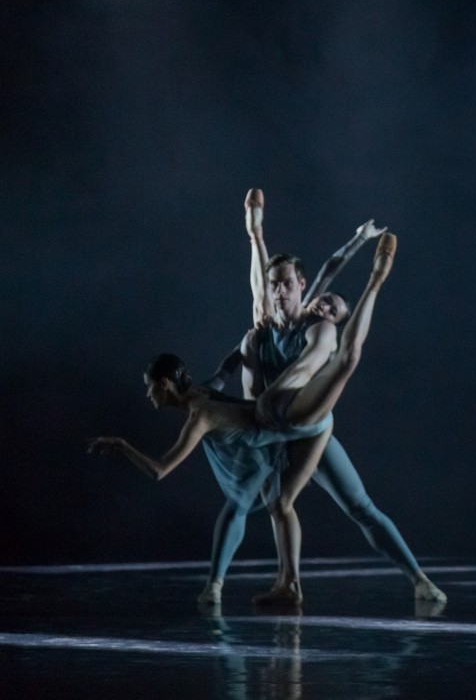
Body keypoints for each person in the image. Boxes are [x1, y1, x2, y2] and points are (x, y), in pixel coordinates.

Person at [88, 234, 396, 589]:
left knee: (345, 364)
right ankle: (282, 585)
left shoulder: (313, 331)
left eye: (334, 311)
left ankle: (219, 586)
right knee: (274, 505)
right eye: (326, 303)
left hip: (292, 422)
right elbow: (228, 366)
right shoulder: (229, 368)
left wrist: (256, 233)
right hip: (273, 427)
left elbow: (161, 470)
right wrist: (245, 346)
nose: (325, 309)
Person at [200, 190, 446, 607]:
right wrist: (218, 387)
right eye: (275, 285)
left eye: (288, 285)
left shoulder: (315, 324)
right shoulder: (261, 329)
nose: (280, 292)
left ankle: (420, 580)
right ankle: (271, 584)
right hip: (273, 427)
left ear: (301, 286)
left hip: (309, 425)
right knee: (266, 504)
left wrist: (358, 241)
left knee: (359, 506)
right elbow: (247, 361)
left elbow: (324, 282)